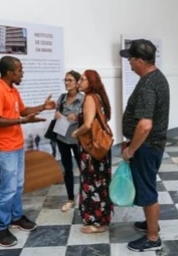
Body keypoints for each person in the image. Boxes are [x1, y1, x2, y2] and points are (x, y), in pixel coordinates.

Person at [0, 55, 56, 247]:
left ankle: (16, 217)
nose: (22, 73)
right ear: (10, 73)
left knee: (17, 185)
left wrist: (43, 107)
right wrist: (21, 121)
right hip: (3, 148)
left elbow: (23, 111)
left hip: (16, 146)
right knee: (7, 189)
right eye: (20, 71)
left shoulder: (12, 90)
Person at [119, 39, 170, 252]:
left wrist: (131, 150)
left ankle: (152, 237)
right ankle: (150, 224)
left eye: (130, 58)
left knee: (148, 191)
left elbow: (145, 125)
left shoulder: (148, 85)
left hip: (146, 147)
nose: (128, 62)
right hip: (152, 145)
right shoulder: (157, 78)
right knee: (146, 187)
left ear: (140, 60)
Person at [71, 70, 113, 234]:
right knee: (100, 182)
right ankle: (101, 216)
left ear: (91, 82)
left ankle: (97, 223)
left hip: (91, 149)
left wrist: (76, 132)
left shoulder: (89, 98)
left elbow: (88, 125)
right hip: (99, 148)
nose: (79, 82)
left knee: (92, 182)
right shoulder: (98, 96)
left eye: (83, 79)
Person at [54, 70, 84, 212]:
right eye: (65, 80)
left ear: (77, 83)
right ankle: (70, 199)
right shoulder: (61, 98)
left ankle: (84, 196)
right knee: (67, 170)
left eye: (70, 80)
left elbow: (90, 119)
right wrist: (57, 115)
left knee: (83, 168)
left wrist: (78, 117)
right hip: (62, 138)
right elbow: (57, 114)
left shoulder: (84, 99)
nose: (67, 83)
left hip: (78, 139)